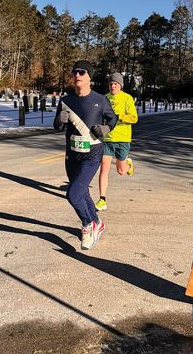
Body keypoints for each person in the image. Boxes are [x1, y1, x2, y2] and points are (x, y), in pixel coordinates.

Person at [53, 60, 117, 250]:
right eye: (75, 72)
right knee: (82, 193)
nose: (78, 75)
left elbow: (113, 119)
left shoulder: (100, 100)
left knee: (73, 194)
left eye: (82, 72)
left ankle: (88, 225)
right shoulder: (66, 100)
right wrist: (59, 120)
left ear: (90, 76)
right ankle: (98, 222)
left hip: (92, 154)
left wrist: (106, 128)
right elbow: (57, 127)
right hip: (72, 156)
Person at [95, 72, 138, 211]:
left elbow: (134, 118)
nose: (113, 86)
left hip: (122, 139)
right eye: (111, 84)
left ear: (120, 85)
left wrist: (118, 117)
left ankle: (128, 165)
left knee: (121, 171)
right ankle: (102, 199)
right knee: (104, 170)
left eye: (115, 84)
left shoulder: (127, 98)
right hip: (107, 139)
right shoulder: (104, 99)